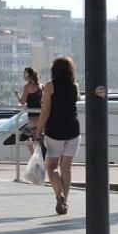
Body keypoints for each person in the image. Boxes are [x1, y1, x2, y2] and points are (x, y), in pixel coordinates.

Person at [36, 57, 80, 215]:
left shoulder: (50, 86)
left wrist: (37, 130)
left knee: (51, 167)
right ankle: (65, 203)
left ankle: (59, 195)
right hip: (73, 131)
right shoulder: (75, 86)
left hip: (55, 131)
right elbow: (76, 100)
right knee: (66, 168)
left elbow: (45, 111)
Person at [18, 67, 45, 159]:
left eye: (24, 74)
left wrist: (16, 95)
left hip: (32, 118)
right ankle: (40, 158)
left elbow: (22, 102)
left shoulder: (27, 87)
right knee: (39, 138)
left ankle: (34, 157)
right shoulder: (41, 85)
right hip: (42, 117)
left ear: (28, 75)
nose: (23, 76)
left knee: (25, 137)